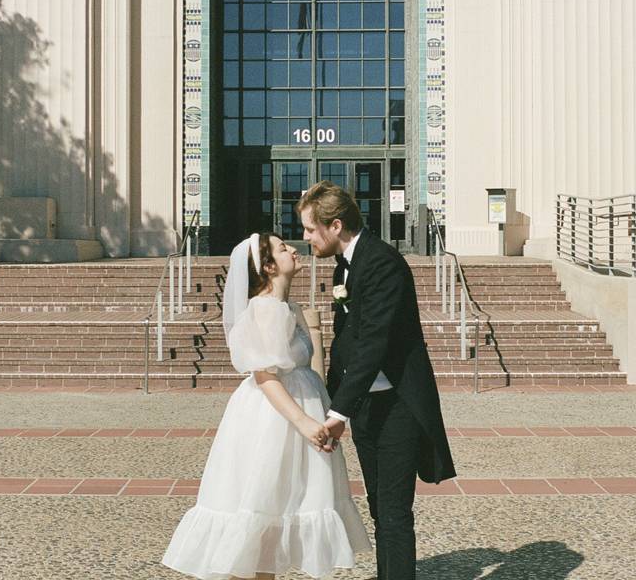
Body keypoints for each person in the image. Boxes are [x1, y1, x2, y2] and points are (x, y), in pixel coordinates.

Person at [162, 232, 371, 580]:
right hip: (276, 417)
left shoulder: (285, 306)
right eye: (282, 248)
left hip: (297, 406)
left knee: (274, 512)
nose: (293, 248)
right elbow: (265, 375)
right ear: (269, 266)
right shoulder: (266, 308)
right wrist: (304, 421)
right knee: (264, 505)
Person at [297, 181, 457, 580]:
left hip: (397, 406)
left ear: (335, 225)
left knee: (395, 512)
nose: (304, 238)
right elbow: (347, 342)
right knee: (378, 507)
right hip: (368, 406)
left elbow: (374, 342)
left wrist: (338, 412)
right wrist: (333, 399)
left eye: (309, 229)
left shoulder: (382, 262)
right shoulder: (346, 264)